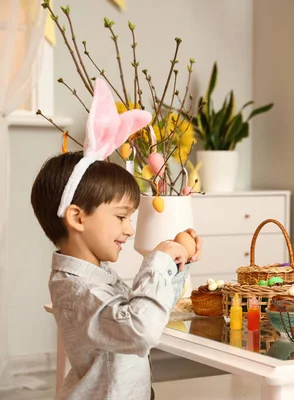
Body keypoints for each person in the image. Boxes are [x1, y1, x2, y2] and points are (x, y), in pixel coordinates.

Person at [30, 77, 202, 400]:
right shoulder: (79, 292)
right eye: (121, 217)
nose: (130, 229)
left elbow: (149, 308)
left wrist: (178, 261)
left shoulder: (95, 277)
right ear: (78, 217)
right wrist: (159, 259)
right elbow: (141, 329)